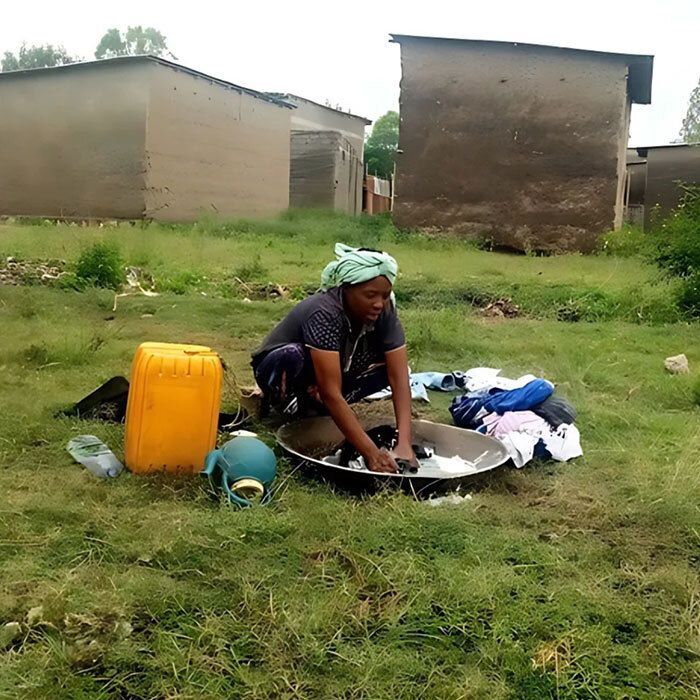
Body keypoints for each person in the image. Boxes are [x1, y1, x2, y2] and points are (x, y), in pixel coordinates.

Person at [251, 243, 415, 474]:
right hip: (282, 368)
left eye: (385, 295)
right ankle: (289, 405)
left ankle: (321, 406)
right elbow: (330, 390)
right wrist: (371, 453)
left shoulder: (385, 310)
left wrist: (404, 445)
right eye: (370, 295)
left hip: (331, 373)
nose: (379, 303)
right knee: (293, 357)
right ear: (346, 289)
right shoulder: (325, 311)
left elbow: (398, 378)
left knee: (390, 369)